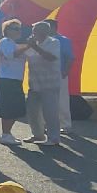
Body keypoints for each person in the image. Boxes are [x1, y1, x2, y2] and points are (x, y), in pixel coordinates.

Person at [23, 20, 64, 148]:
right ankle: (38, 134)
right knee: (32, 111)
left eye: (35, 31)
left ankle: (54, 138)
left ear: (44, 32)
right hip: (34, 83)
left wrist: (35, 47)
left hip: (50, 84)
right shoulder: (31, 44)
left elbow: (51, 57)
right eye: (33, 31)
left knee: (50, 112)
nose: (33, 34)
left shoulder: (53, 42)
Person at [0, 20, 31, 146]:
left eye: (19, 29)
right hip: (7, 78)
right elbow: (11, 55)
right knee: (9, 106)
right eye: (16, 28)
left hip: (15, 79)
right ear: (8, 30)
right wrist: (28, 46)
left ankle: (7, 133)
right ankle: (5, 134)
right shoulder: (5, 42)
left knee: (16, 106)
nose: (19, 31)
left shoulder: (15, 44)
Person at [45, 18, 75, 138]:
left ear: (52, 27)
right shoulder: (44, 40)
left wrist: (65, 71)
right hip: (45, 74)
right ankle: (48, 124)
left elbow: (70, 57)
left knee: (62, 100)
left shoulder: (63, 40)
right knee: (47, 100)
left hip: (59, 73)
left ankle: (66, 125)